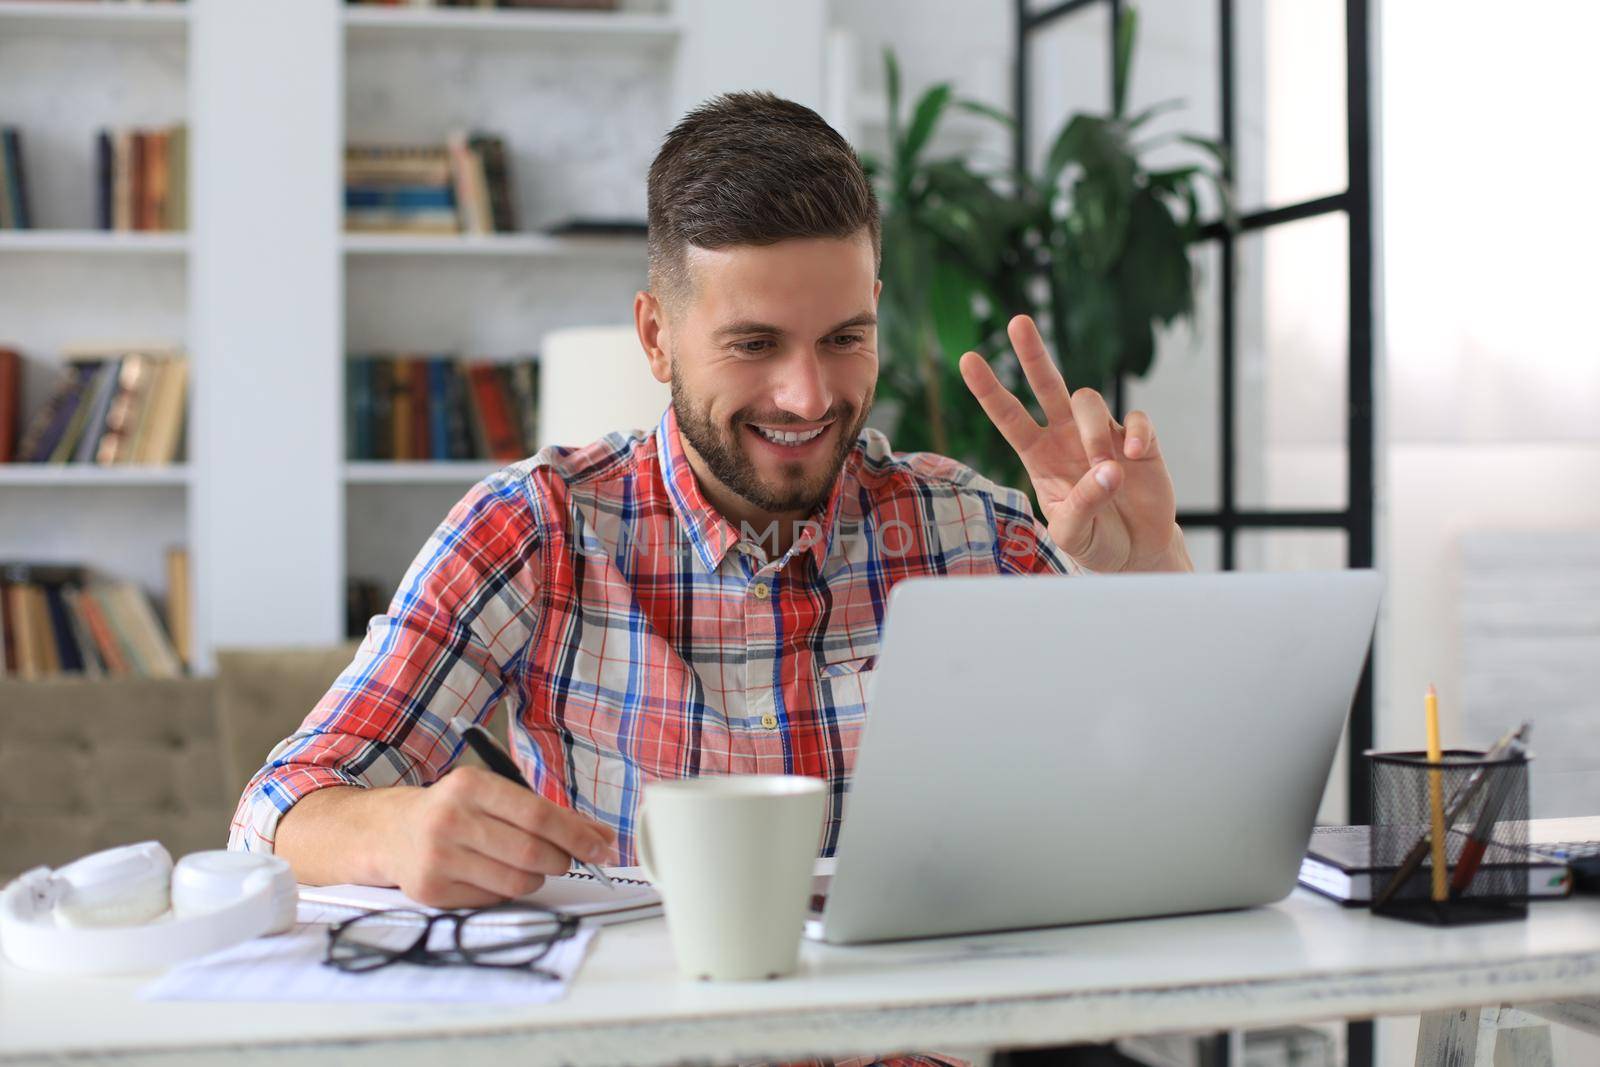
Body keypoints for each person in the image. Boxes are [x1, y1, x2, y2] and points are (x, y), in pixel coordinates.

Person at [231, 87, 1190, 951]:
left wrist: (1147, 579)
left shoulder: (969, 530)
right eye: (755, 343)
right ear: (657, 335)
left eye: (844, 338)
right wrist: (395, 831)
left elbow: (1171, 798)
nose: (809, 394)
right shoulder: (538, 526)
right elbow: (272, 811)